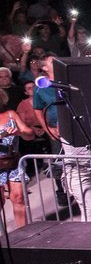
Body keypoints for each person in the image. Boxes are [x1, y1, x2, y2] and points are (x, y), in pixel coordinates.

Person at [0, 89, 35, 227]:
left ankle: (22, 236)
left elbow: (30, 134)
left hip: (14, 162)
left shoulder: (10, 114)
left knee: (18, 198)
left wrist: (19, 132)